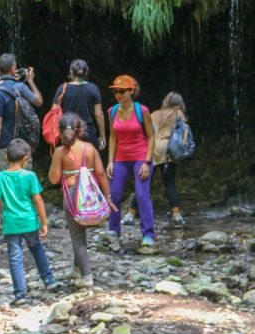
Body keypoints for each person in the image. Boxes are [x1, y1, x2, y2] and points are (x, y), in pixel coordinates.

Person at [0, 138, 58, 305]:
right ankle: (49, 280)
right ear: (26, 158)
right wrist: (44, 222)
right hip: (29, 222)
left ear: (6, 158)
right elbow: (38, 200)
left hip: (11, 225)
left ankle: (20, 294)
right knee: (37, 249)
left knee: (15, 258)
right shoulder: (30, 176)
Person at [48, 112, 112, 288]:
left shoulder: (60, 152)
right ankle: (77, 268)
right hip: (89, 195)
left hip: (71, 195)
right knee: (81, 232)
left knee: (77, 237)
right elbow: (100, 173)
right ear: (80, 129)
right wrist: (108, 197)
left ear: (60, 131)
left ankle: (86, 276)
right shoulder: (90, 148)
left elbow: (53, 179)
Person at [124, 92, 190, 228]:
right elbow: (183, 133)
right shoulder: (179, 114)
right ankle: (176, 216)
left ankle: (129, 215)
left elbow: (145, 132)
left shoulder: (154, 114)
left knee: (143, 184)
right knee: (170, 183)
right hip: (167, 151)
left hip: (150, 149)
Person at [106, 75, 155, 246]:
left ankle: (148, 234)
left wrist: (147, 163)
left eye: (122, 91)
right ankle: (113, 230)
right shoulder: (112, 112)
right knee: (114, 194)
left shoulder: (142, 111)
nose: (118, 94)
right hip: (120, 158)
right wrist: (110, 162)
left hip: (141, 157)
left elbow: (151, 137)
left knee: (142, 194)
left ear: (131, 91)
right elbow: (112, 138)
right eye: (115, 91)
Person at [0, 55, 40, 175]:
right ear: (13, 68)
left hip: (5, 150)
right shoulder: (19, 86)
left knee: (6, 190)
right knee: (23, 188)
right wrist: (30, 81)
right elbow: (38, 101)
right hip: (23, 146)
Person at [51, 59, 106, 150]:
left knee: (69, 163)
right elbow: (98, 114)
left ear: (71, 72)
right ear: (87, 72)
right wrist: (102, 139)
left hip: (67, 134)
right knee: (88, 163)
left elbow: (54, 112)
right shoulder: (93, 88)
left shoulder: (62, 88)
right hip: (89, 134)